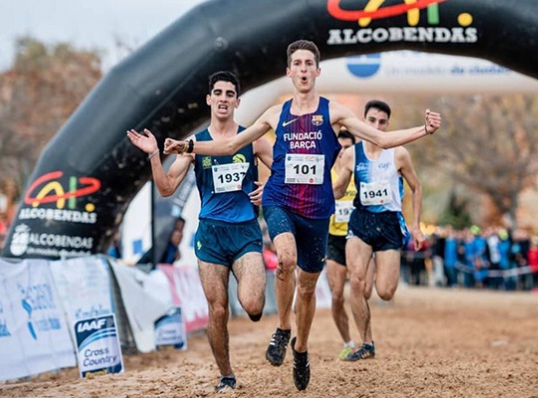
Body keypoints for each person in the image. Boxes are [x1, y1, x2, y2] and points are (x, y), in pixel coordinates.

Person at [163, 40, 441, 390]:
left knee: (307, 289)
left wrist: (424, 130)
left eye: (310, 63)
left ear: (317, 71)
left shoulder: (334, 112)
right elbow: (231, 145)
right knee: (286, 260)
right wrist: (187, 146)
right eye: (298, 63)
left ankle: (301, 347)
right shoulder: (275, 114)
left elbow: (381, 140)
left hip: (317, 209)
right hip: (280, 200)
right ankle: (282, 328)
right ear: (289, 72)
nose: (304, 68)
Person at [127, 71, 273, 392]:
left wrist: (270, 188)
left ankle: (251, 308)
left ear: (237, 101)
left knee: (252, 305)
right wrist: (155, 155)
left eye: (229, 93)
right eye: (217, 93)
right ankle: (226, 375)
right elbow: (166, 189)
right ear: (209, 99)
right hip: (210, 236)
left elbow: (283, 171)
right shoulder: (194, 146)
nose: (223, 98)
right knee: (217, 309)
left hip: (246, 231)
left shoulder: (252, 139)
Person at [332, 99, 426, 361]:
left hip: (388, 225)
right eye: (371, 120)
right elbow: (340, 188)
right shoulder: (352, 154)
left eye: (382, 122)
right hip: (360, 221)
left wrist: (415, 226)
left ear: (387, 125)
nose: (376, 125)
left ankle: (374, 269)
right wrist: (317, 196)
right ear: (363, 121)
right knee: (357, 283)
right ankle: (367, 342)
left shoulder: (398, 154)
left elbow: (416, 188)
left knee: (385, 291)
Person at [325, 129, 376, 360]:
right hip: (334, 239)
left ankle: (367, 340)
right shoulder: (326, 175)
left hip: (359, 237)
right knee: (336, 295)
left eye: (347, 147)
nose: (342, 152)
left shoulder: (360, 173)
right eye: (339, 147)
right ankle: (348, 341)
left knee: (364, 290)